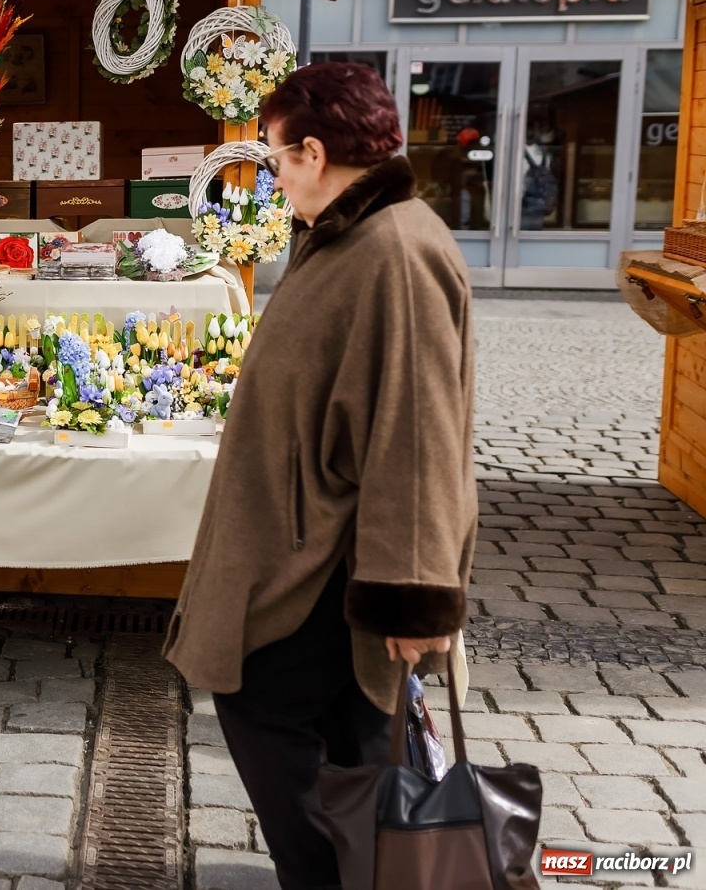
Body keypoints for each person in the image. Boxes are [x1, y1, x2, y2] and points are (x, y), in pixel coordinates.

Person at [165, 63, 475, 890]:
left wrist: (412, 594)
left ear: (314, 151)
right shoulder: (349, 236)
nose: (275, 180)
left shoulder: (394, 251)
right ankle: (371, 871)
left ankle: (337, 875)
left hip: (332, 560)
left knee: (268, 706)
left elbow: (419, 436)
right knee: (354, 735)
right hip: (315, 543)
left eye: (276, 161)